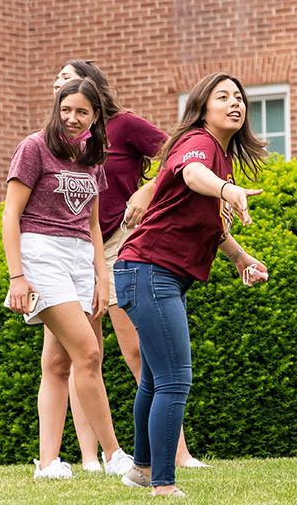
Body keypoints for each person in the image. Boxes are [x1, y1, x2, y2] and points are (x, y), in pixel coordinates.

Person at [113, 71, 268, 497]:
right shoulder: (200, 144)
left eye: (239, 97)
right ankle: (163, 483)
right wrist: (226, 189)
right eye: (223, 97)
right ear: (203, 107)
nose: (235, 103)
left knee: (154, 379)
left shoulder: (219, 153)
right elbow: (192, 174)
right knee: (175, 379)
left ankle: (142, 469)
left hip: (149, 273)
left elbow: (207, 225)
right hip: (149, 271)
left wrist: (240, 258)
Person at [52, 60, 206, 471]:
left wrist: (149, 189)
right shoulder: (59, 141)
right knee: (84, 355)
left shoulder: (125, 125)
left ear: (91, 86)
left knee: (139, 349)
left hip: (120, 242)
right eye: (58, 85)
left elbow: (175, 156)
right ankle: (94, 456)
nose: (59, 87)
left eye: (65, 79)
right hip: (74, 248)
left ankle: (177, 452)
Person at [2, 78, 134, 480]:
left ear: (96, 117)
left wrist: (101, 276)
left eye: (82, 112)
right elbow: (10, 215)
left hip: (81, 257)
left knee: (58, 363)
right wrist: (17, 277)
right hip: (42, 253)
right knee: (89, 354)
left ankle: (47, 463)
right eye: (66, 110)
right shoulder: (34, 147)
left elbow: (93, 225)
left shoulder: (94, 158)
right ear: (56, 109)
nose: (72, 119)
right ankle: (114, 455)